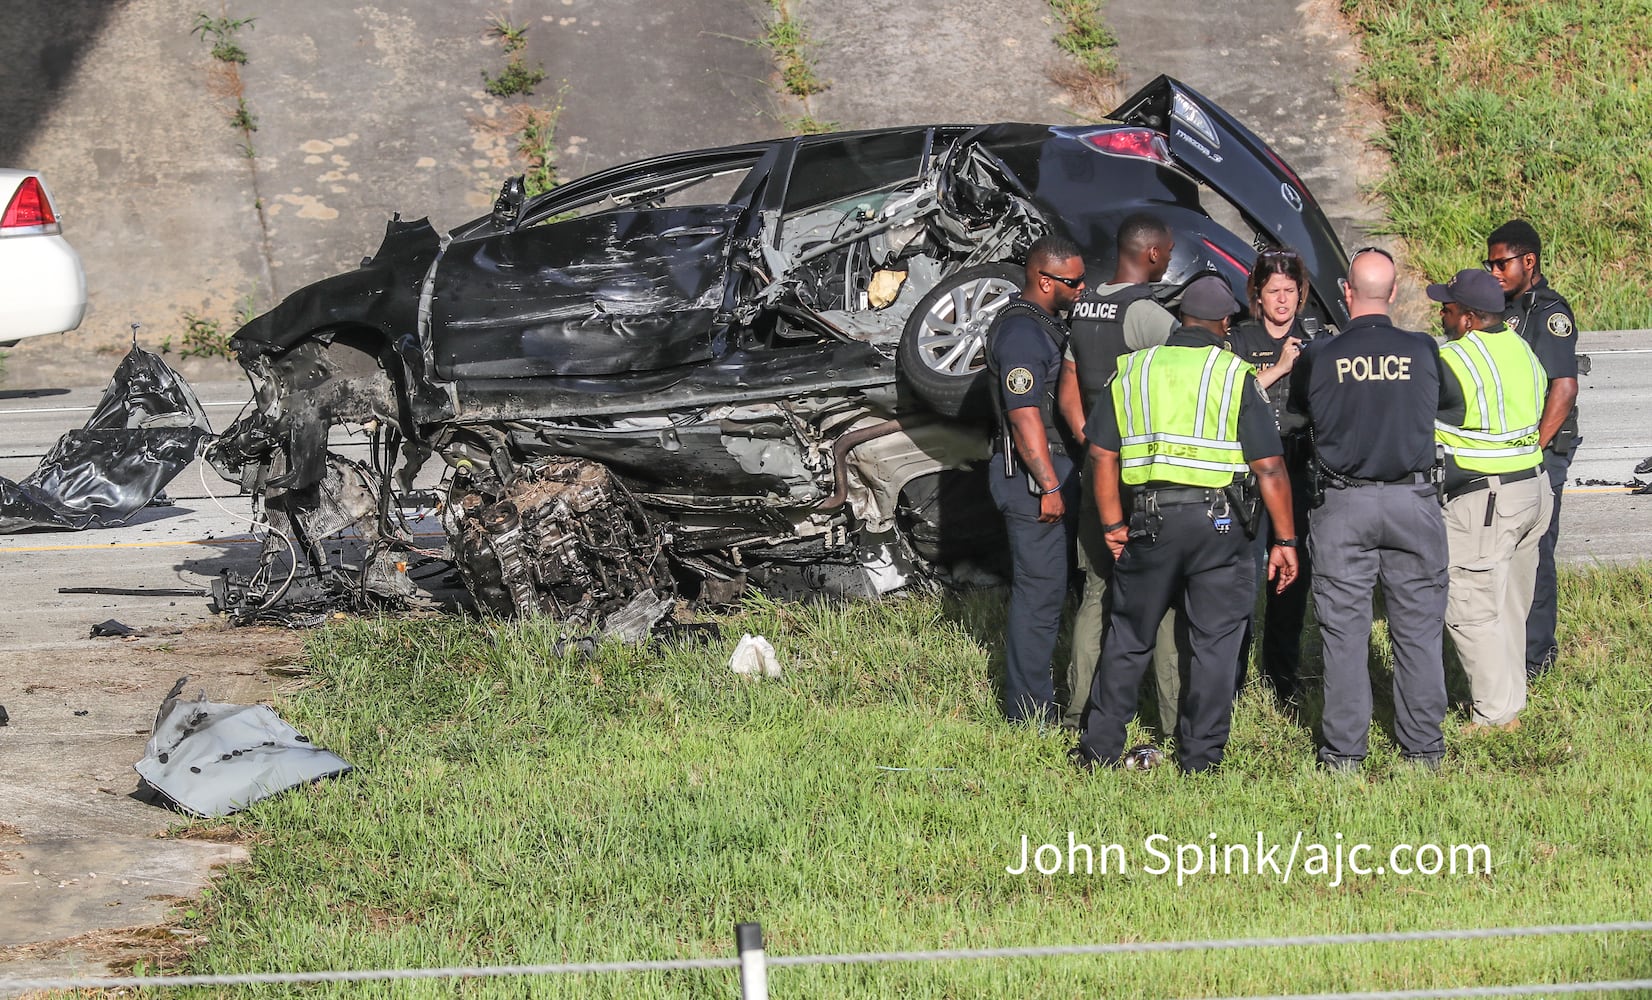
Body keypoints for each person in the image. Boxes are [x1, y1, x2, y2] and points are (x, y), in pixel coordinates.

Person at [1073, 275, 1299, 773]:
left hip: (1149, 521)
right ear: (1223, 324)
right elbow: (1269, 468)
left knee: (1129, 635)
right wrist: (1284, 538)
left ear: (1181, 321)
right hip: (1221, 527)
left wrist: (1112, 523)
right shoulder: (1234, 374)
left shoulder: (1132, 371)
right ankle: (1201, 759)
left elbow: (1102, 456)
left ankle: (1100, 748)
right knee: (1216, 644)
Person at [1287, 246, 1448, 771]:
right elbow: (1453, 404)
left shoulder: (1319, 355)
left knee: (1343, 634)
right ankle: (1423, 750)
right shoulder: (1423, 350)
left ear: (1347, 293)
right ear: (1394, 293)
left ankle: (1343, 757)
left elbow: (1296, 414)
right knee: (1419, 631)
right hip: (1413, 501)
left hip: (1343, 505)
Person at [1056, 212, 1185, 733]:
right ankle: (1174, 719)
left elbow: (1068, 388)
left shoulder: (1086, 308)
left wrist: (1093, 443)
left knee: (1097, 591)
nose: (1170, 259)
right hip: (1143, 471)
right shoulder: (1148, 315)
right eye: (1169, 251)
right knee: (1165, 595)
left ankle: (1077, 709)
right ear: (1152, 254)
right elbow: (1186, 381)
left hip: (1097, 466)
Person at [1429, 267, 1551, 732]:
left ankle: (1497, 718)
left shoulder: (1456, 360)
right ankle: (1511, 701)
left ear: (1469, 318)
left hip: (1486, 499)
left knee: (1472, 608)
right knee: (1510, 606)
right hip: (1533, 488)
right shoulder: (1520, 347)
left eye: (1448, 308)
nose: (1442, 314)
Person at [984, 233, 1087, 724]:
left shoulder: (1044, 324)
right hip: (1032, 479)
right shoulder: (1023, 332)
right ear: (1045, 280)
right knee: (1039, 596)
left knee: (1050, 592)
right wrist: (1048, 484)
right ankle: (1028, 712)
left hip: (1051, 471)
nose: (1083, 287)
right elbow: (1024, 415)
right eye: (1074, 281)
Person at [1486, 220, 1579, 679]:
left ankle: (1536, 657)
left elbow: (1563, 389)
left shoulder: (1549, 313)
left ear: (1529, 261)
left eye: (1501, 262)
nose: (1494, 271)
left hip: (1543, 453)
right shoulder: (1501, 308)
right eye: (1490, 263)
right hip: (1510, 450)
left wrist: (1534, 451)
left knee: (1537, 553)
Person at [1227, 247, 1314, 705]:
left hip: (1297, 468)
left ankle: (1283, 679)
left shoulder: (1315, 338)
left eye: (1290, 291)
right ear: (1257, 295)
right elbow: (1230, 394)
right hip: (1249, 472)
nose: (1282, 300)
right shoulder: (1240, 339)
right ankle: (1234, 680)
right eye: (1273, 291)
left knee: (1291, 580)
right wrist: (1280, 367)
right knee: (1241, 579)